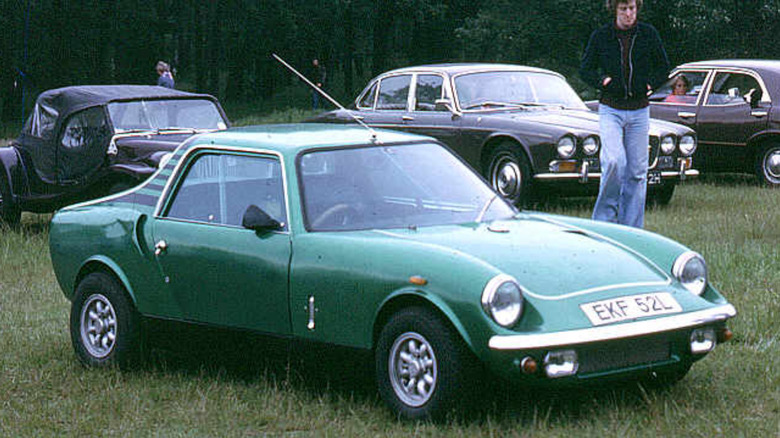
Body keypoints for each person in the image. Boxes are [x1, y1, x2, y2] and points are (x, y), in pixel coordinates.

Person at [580, 0, 669, 228]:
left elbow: (663, 67)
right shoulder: (601, 36)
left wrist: (650, 85)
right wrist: (603, 81)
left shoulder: (648, 34)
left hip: (639, 111)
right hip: (611, 110)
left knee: (637, 173)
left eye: (632, 8)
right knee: (613, 162)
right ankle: (604, 223)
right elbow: (585, 69)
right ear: (615, 10)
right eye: (623, 9)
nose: (629, 14)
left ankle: (631, 228)